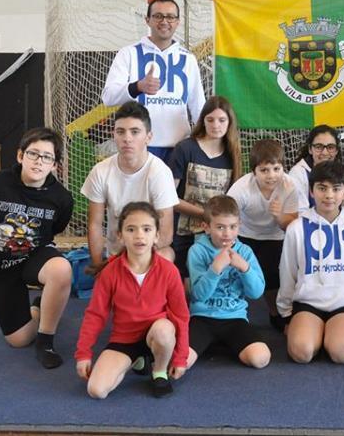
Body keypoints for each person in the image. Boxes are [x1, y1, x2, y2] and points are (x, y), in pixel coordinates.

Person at [0, 127, 74, 369]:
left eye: (47, 157)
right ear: (20, 155)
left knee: (61, 269)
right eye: (33, 153)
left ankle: (46, 342)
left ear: (54, 165)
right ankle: (39, 308)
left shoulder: (62, 198)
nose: (39, 161)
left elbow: (54, 228)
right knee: (19, 340)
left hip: (34, 257)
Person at [74, 202, 190, 398]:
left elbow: (181, 316)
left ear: (156, 236)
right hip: (125, 339)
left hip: (158, 336)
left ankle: (159, 371)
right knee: (97, 390)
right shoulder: (110, 272)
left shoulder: (169, 271)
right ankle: (137, 360)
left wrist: (180, 358)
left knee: (165, 332)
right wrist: (83, 353)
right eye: (131, 229)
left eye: (146, 229)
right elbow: (95, 315)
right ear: (120, 235)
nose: (139, 236)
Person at [278, 160, 344, 364]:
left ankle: (340, 334)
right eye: (322, 188)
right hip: (309, 304)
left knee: (341, 353)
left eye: (336, 189)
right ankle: (314, 334)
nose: (329, 195)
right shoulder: (297, 228)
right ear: (311, 191)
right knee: (301, 353)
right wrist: (285, 313)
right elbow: (288, 272)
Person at [101, 0, 206, 163]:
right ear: (147, 20)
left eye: (170, 17)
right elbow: (108, 97)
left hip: (179, 149)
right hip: (139, 148)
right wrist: (137, 86)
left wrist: (206, 145)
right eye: (158, 16)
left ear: (178, 22)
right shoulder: (128, 53)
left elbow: (199, 107)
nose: (164, 21)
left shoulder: (188, 59)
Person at [82, 101, 179, 270]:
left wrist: (134, 261)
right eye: (121, 132)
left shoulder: (160, 173)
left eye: (135, 132)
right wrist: (98, 267)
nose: (127, 138)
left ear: (148, 137)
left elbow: (166, 234)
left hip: (149, 253)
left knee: (166, 255)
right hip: (115, 255)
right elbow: (95, 225)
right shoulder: (100, 171)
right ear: (114, 135)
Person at [185, 196, 271, 369]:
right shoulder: (197, 251)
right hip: (203, 318)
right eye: (220, 227)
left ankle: (223, 343)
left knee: (260, 359)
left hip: (235, 318)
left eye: (233, 227)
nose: (227, 234)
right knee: (182, 362)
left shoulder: (245, 252)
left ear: (239, 225)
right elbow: (198, 295)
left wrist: (244, 268)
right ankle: (212, 343)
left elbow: (256, 293)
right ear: (206, 227)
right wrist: (215, 268)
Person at [227, 139, 302, 331]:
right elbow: (227, 218)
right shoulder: (241, 189)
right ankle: (232, 314)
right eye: (264, 170)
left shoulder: (290, 185)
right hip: (244, 234)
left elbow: (292, 224)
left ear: (283, 168)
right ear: (254, 171)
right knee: (236, 276)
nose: (271, 175)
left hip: (275, 235)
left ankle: (275, 314)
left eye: (276, 169)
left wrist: (278, 215)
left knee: (273, 278)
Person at [168, 95, 242, 279]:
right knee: (183, 282)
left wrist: (218, 222)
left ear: (229, 122)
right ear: (203, 121)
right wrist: (204, 214)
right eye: (210, 120)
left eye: (222, 120)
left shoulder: (232, 155)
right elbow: (168, 197)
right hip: (182, 233)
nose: (216, 125)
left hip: (215, 235)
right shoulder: (185, 149)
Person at [288, 124, 342, 209]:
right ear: (310, 149)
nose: (325, 152)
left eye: (330, 147)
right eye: (319, 147)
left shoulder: (341, 173)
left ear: (336, 151)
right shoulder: (298, 174)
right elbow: (299, 212)